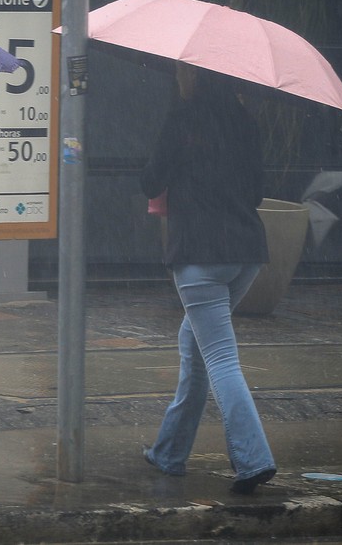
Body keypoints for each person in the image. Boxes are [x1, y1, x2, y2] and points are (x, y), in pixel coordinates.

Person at [140, 62, 276, 495]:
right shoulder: (244, 121)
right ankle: (169, 453)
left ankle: (254, 459)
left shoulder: (183, 117)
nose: (178, 76)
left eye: (182, 71)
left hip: (200, 253)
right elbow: (256, 191)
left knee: (219, 358)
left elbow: (149, 181)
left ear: (194, 76)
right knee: (195, 347)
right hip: (245, 253)